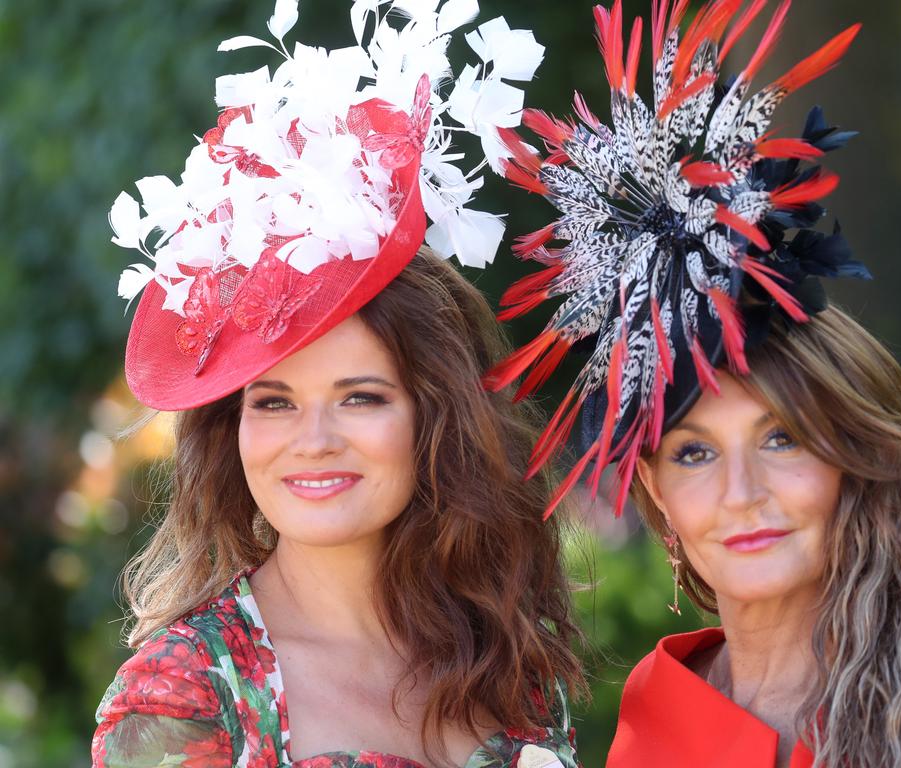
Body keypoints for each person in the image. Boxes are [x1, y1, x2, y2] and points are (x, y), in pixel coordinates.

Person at [486, 0, 901, 765]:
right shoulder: (655, 700)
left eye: (782, 437)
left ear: (853, 454)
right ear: (655, 490)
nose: (742, 492)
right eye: (694, 453)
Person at [93, 3, 583, 767]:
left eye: (361, 397)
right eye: (274, 402)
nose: (313, 441)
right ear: (234, 431)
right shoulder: (184, 695)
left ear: (437, 416)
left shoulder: (507, 659)